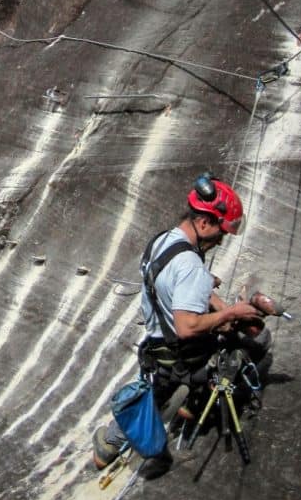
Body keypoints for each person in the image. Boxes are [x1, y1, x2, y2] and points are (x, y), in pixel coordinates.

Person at [92, 173, 276, 476]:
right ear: (205, 223)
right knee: (251, 346)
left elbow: (178, 290)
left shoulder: (163, 241)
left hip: (156, 349)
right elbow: (188, 326)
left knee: (154, 395)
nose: (220, 240)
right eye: (220, 233)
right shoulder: (190, 265)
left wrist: (213, 296)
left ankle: (108, 444)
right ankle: (197, 401)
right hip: (184, 354)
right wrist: (232, 314)